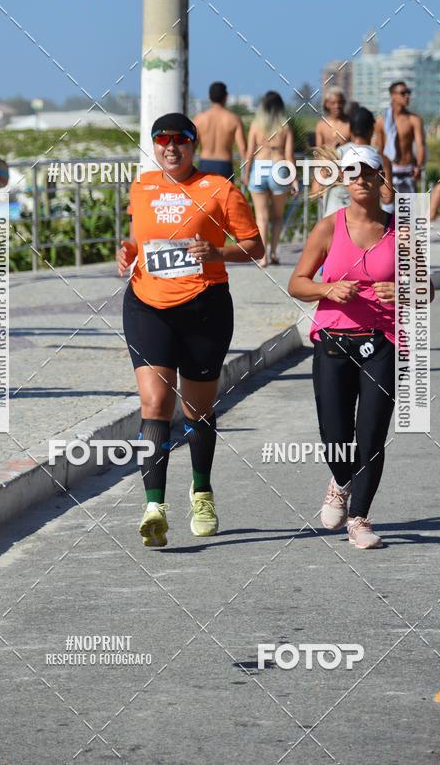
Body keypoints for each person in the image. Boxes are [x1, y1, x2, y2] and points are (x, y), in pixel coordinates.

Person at [118, 113, 263, 548]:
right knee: (154, 404)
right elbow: (137, 239)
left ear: (192, 145)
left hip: (204, 308)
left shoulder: (219, 188)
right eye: (161, 139)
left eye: (179, 139)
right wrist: (126, 252)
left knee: (197, 409)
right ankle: (154, 507)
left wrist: (216, 252)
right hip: (147, 305)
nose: (170, 147)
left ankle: (201, 493)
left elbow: (255, 247)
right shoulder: (142, 186)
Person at [288, 146, 435, 549]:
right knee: (335, 434)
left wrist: (402, 291)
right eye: (351, 173)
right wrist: (327, 289)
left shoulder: (402, 230)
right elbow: (297, 283)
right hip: (334, 342)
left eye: (368, 172)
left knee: (370, 433)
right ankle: (340, 482)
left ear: (380, 177)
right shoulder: (328, 228)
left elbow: (427, 290)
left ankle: (360, 519)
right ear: (343, 179)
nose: (360, 179)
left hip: (383, 341)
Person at [242, 91, 296, 267]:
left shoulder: (256, 125)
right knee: (278, 217)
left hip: (259, 167)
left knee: (261, 217)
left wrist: (246, 174)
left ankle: (263, 257)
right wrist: (294, 179)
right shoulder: (285, 127)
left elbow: (249, 153)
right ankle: (273, 253)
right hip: (278, 167)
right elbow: (289, 156)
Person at [311, 106, 394, 216]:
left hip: (333, 218)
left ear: (350, 129)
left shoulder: (335, 154)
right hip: (363, 221)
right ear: (372, 130)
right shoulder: (380, 158)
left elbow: (315, 190)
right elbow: (387, 198)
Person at [374, 82, 425, 192]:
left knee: (411, 204)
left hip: (408, 170)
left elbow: (421, 145)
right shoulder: (381, 121)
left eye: (408, 92)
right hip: (388, 171)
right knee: (387, 203)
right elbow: (379, 149)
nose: (407, 96)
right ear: (393, 95)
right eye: (403, 93)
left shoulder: (414, 120)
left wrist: (419, 166)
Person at [193, 82, 247, 182]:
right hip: (224, 165)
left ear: (209, 97)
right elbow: (243, 148)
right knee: (225, 192)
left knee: (205, 192)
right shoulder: (234, 119)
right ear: (226, 97)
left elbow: (192, 146)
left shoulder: (199, 119)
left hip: (205, 164)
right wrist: (247, 173)